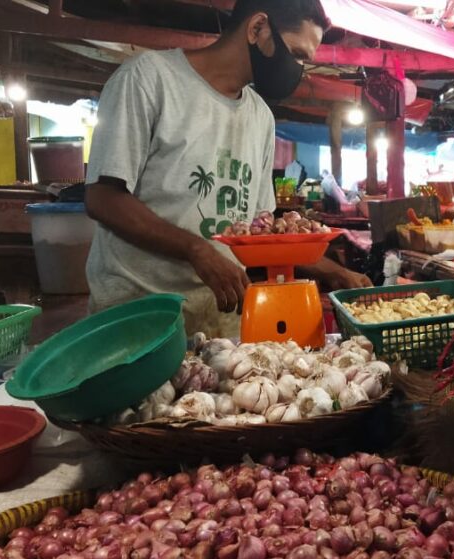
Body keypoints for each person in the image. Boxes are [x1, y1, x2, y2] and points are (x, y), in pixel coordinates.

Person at [85, 0, 370, 336]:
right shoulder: (148, 79)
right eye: (296, 53)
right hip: (138, 319)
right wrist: (196, 250)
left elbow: (259, 234)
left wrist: (332, 271)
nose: (297, 70)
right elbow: (103, 198)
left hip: (221, 320)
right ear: (257, 28)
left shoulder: (260, 117)